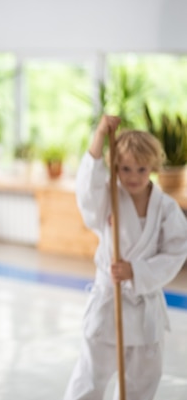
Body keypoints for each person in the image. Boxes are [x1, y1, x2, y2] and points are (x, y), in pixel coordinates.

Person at [63, 115, 187, 400]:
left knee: (143, 382)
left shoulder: (165, 207)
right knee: (89, 377)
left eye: (141, 169)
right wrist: (99, 135)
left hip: (145, 310)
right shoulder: (108, 198)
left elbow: (177, 249)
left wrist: (136, 271)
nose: (133, 176)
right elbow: (87, 191)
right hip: (109, 302)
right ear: (115, 167)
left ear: (153, 168)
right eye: (125, 168)